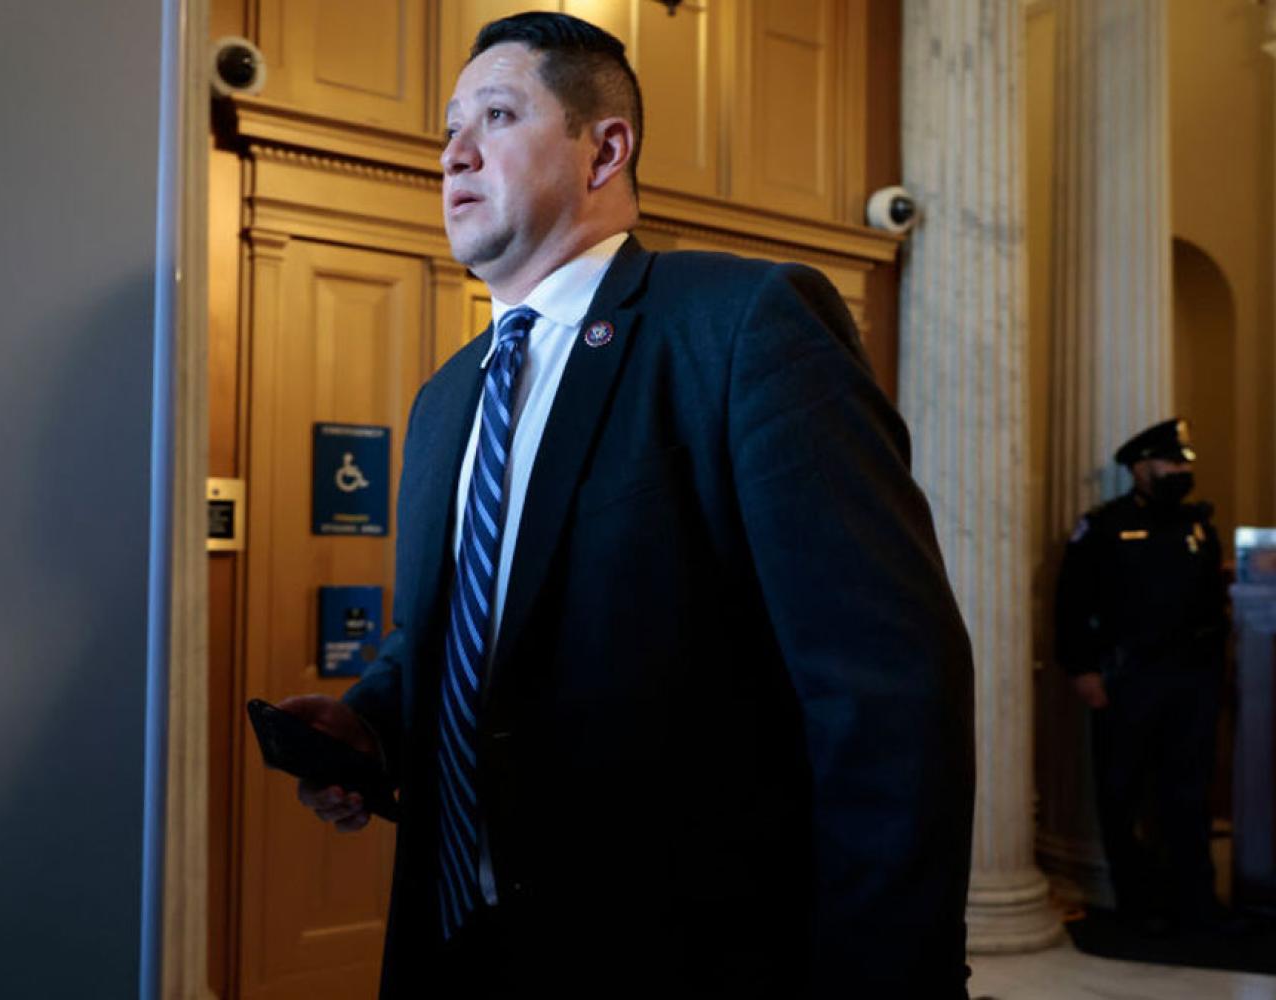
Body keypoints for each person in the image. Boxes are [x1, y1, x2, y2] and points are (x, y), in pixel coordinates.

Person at [280, 12, 975, 997]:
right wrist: (372, 722)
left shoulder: (744, 325)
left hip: (678, 956)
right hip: (456, 945)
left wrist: (886, 977)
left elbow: (883, 686)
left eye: (496, 116)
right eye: (448, 127)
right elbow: (460, 628)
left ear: (605, 149)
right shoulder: (444, 400)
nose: (454, 153)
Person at [1055, 417, 1232, 935]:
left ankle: (1195, 906)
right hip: (1128, 679)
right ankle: (1137, 907)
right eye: (1170, 462)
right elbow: (1072, 604)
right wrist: (1082, 669)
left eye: (1183, 463)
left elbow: (1211, 603)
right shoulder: (1103, 526)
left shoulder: (1197, 526)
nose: (1180, 471)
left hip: (1191, 680)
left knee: (1188, 793)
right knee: (1124, 793)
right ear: (1140, 467)